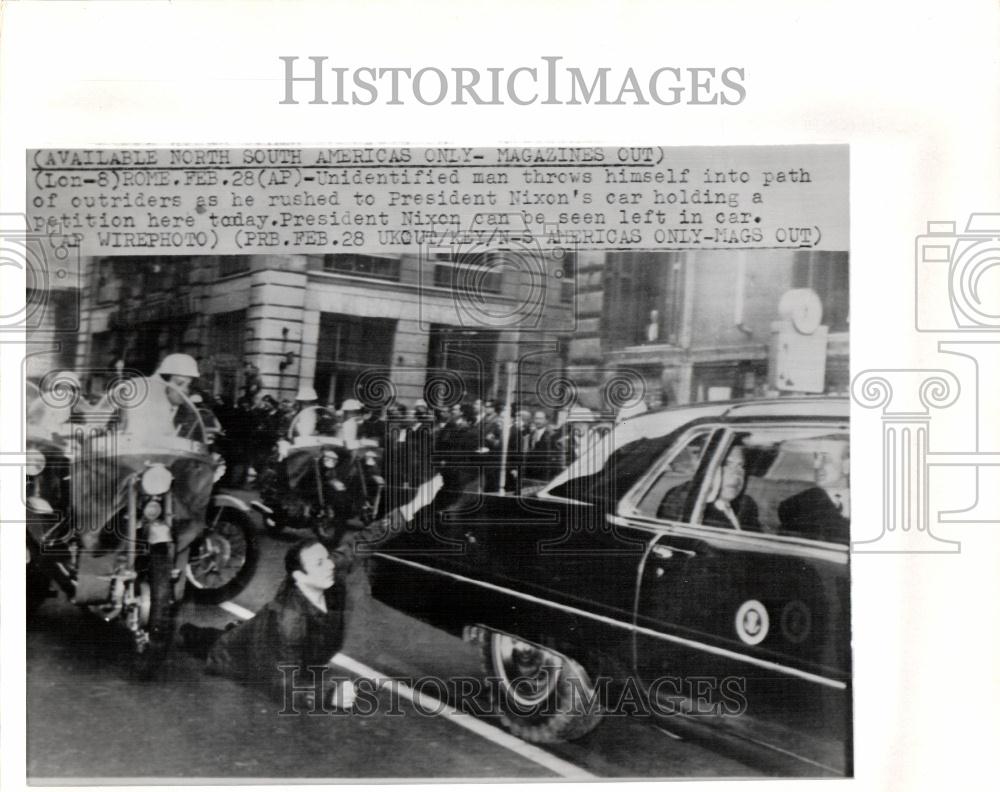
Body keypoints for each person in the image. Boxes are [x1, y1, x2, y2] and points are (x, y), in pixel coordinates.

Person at [181, 538, 354, 710]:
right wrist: (329, 696)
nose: (330, 565)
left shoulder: (325, 580)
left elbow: (349, 551)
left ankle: (228, 631)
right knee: (210, 642)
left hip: (262, 636)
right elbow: (282, 685)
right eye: (319, 563)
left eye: (327, 558)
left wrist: (381, 529)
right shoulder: (289, 622)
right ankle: (188, 634)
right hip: (238, 657)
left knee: (243, 634)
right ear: (299, 576)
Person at [658, 444, 761, 531]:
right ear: (705, 466)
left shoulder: (747, 504)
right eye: (726, 464)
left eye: (741, 466)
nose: (736, 474)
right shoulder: (684, 498)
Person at [778, 436, 850, 543]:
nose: (816, 466)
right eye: (816, 457)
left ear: (847, 465)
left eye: (825, 459)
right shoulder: (795, 506)